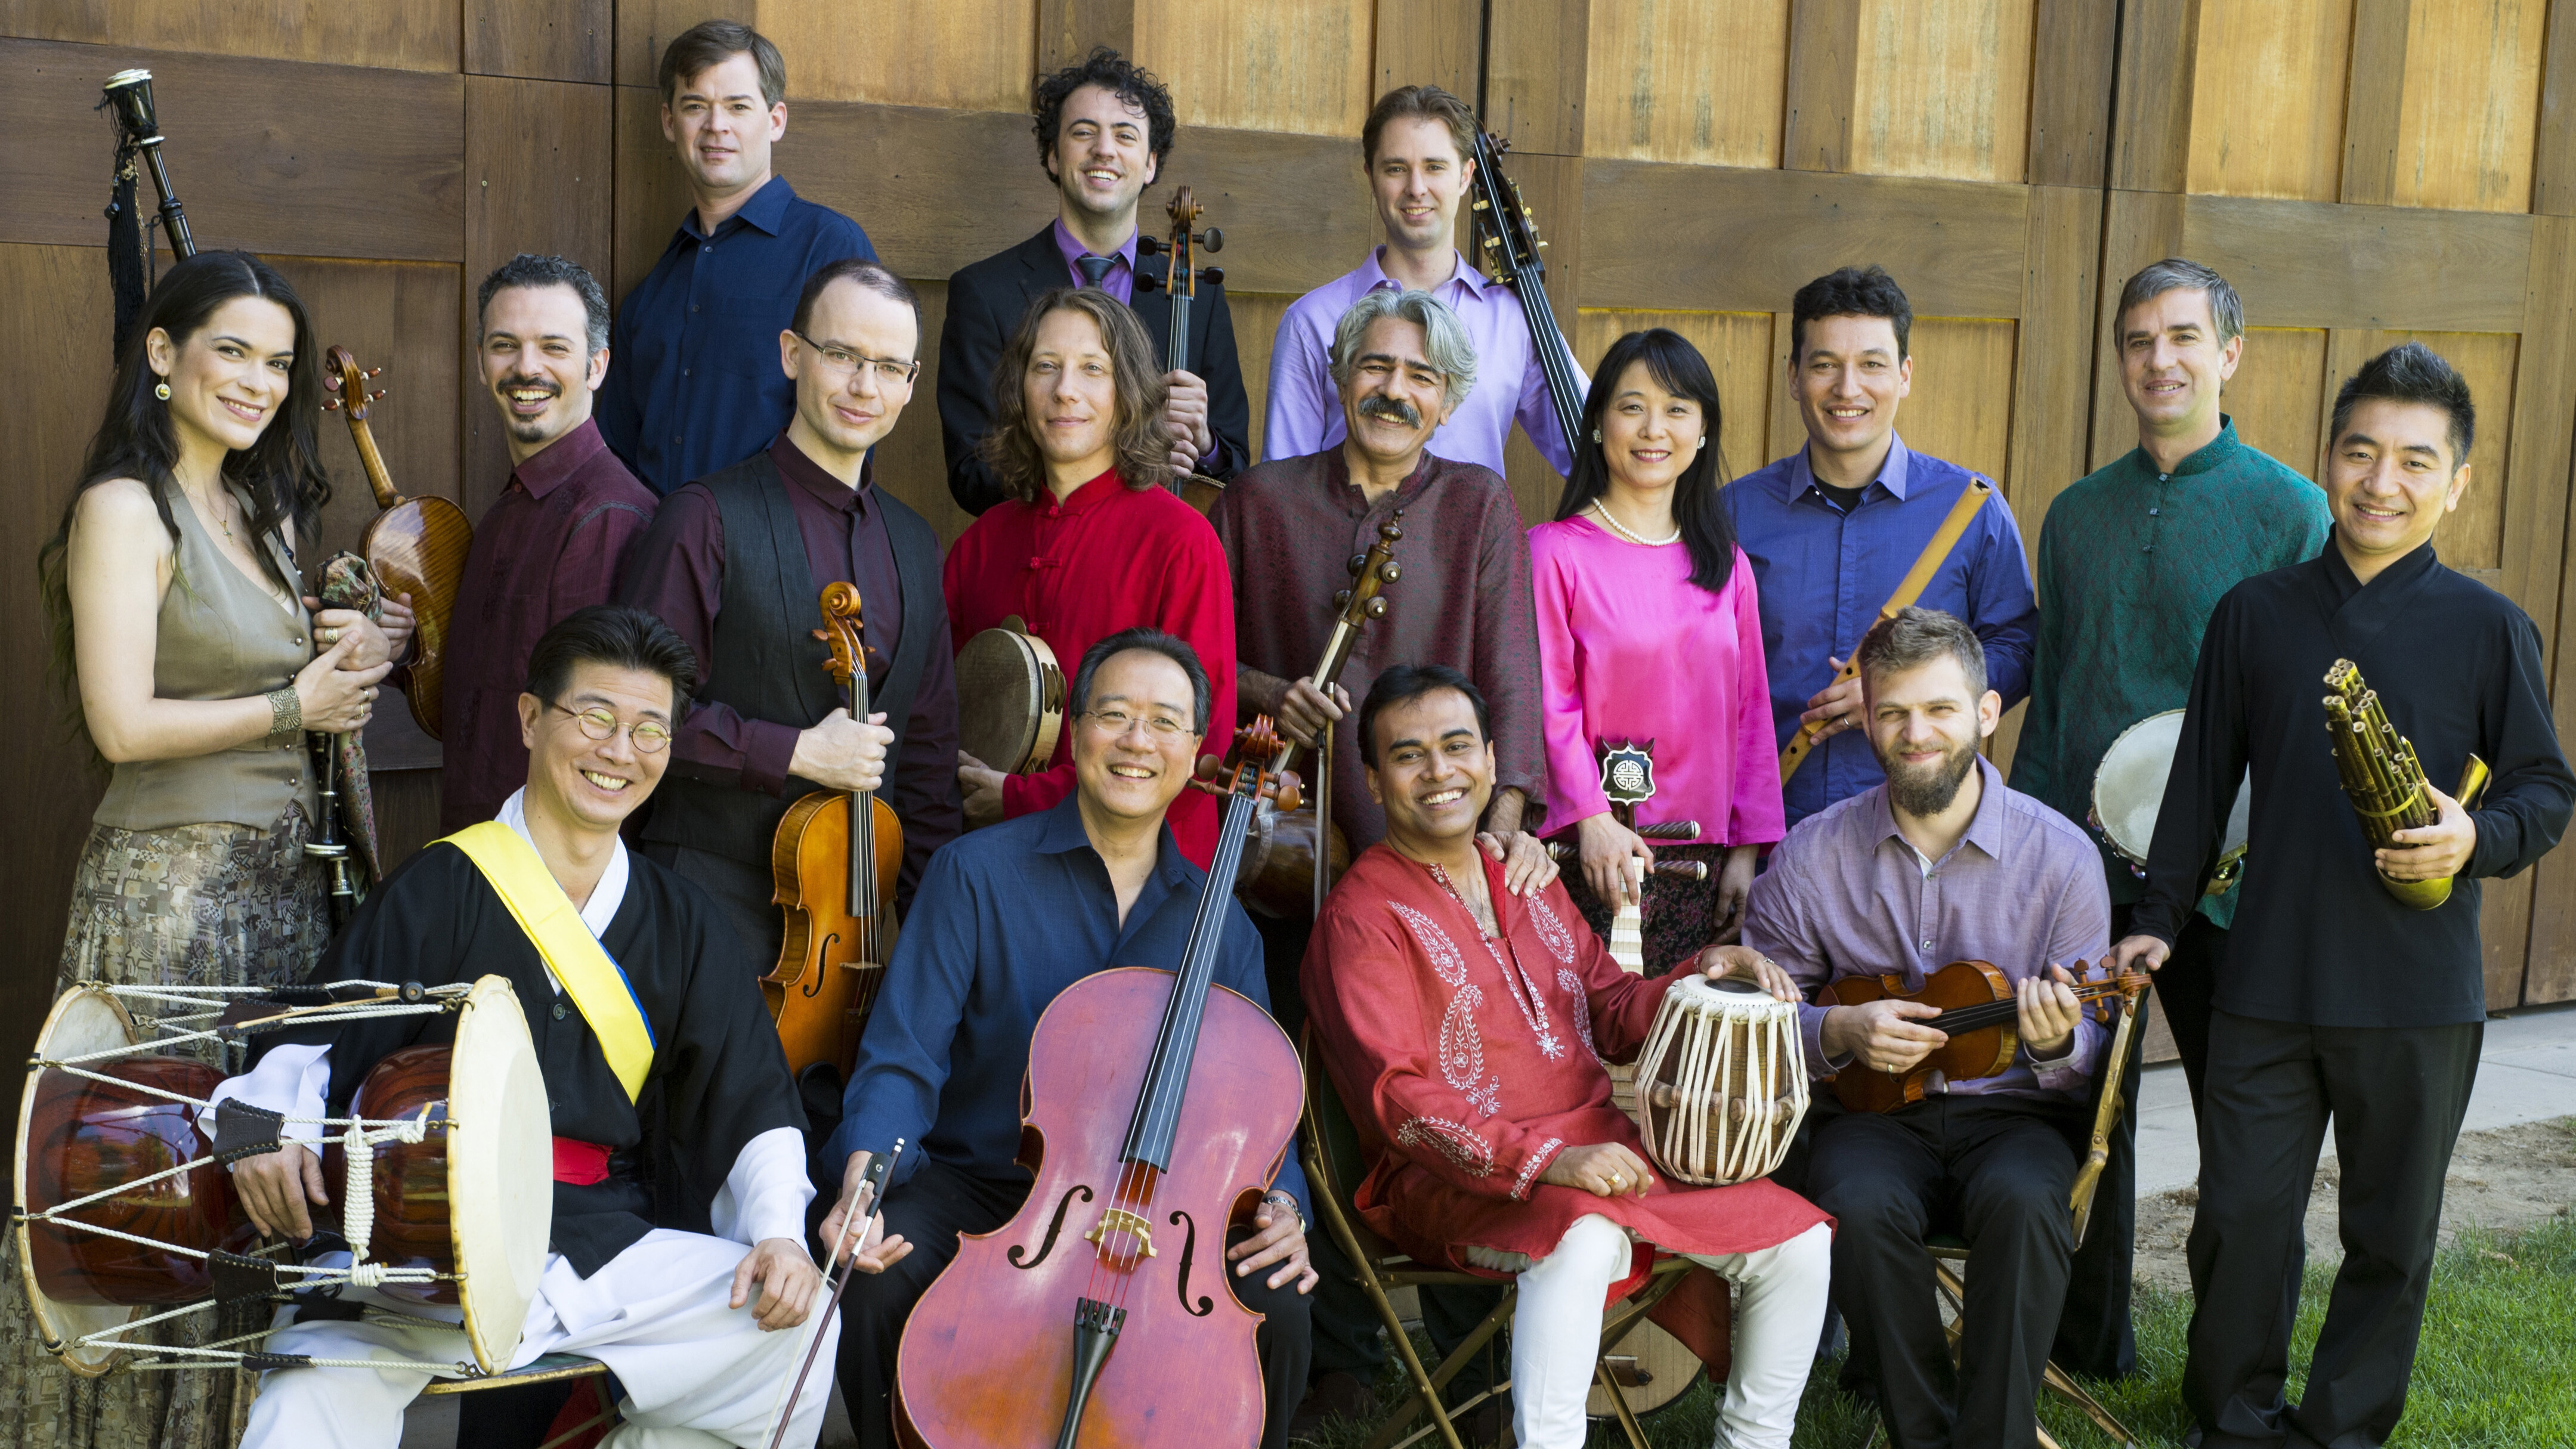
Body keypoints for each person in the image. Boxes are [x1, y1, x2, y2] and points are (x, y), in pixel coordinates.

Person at [214, 605, 842, 1448]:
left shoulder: (683, 922)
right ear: (529, 718)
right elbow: (306, 1046)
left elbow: (751, 1100)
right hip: (417, 1252)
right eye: (595, 717)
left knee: (797, 1328)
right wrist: (258, 1129)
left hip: (596, 1251)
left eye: (649, 730)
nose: (619, 752)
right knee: (307, 1402)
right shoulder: (440, 887)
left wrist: (779, 1235)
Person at [2106, 343, 2572, 1449]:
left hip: (2416, 990)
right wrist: (2153, 919)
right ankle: (2231, 1421)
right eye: (2360, 452)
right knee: (2236, 1220)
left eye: (2414, 461)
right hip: (2266, 977)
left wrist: (2473, 835)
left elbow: (2544, 791)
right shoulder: (2252, 614)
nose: (2381, 481)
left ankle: (2342, 1430)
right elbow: (2197, 785)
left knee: (2390, 1237)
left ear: (2456, 482)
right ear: (2327, 460)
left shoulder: (2488, 627)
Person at [7, 250, 404, 1449]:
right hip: (168, 908)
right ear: (161, 353)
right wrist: (296, 705)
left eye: (277, 362)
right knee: (155, 1205)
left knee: (250, 1207)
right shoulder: (124, 510)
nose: (258, 382)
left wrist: (350, 652)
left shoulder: (261, 506)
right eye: (231, 350)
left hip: (281, 912)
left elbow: (300, 694)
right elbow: (123, 725)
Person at [1304, 664, 1834, 1449]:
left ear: (1490, 761)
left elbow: (1612, 1011)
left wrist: (1699, 974)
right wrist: (1550, 1161)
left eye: (1457, 746)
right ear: (1374, 782)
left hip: (1603, 1153)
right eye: (1408, 755)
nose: (1439, 771)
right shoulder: (1360, 917)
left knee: (1796, 1240)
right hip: (1455, 1180)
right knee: (1584, 1237)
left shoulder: (1524, 877)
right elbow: (1397, 1097)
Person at [825, 628, 1314, 1449]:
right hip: (981, 1186)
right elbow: (902, 1058)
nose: (1136, 741)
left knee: (1282, 1305)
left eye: (1164, 722)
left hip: (1159, 1210)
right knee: (876, 1277)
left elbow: (1259, 1114)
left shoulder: (1223, 925)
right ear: (1075, 731)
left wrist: (1284, 1206)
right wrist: (863, 1178)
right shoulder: (973, 873)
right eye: (1113, 714)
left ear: (1196, 751)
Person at [1208, 288, 1547, 1438]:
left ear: (1444, 400)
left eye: (1417, 376)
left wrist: (1505, 820)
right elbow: (1201, 661)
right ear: (1337, 375)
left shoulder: (1476, 503)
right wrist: (1274, 694)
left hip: (1432, 860)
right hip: (1287, 861)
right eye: (1374, 366)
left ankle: (1473, 1349)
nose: (1392, 390)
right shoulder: (1258, 502)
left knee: (1455, 1090)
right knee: (1306, 1102)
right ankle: (1341, 1352)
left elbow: (1508, 671)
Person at [2003, 259, 2330, 1379]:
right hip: (2088, 873)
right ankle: (2083, 1346)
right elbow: (2055, 694)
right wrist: (2032, 851)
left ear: (2227, 353)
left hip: (2228, 881)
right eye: (2138, 340)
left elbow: (2301, 713)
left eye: (2183, 337)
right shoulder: (2074, 514)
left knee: (2245, 1142)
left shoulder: (2289, 511)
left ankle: (2232, 1381)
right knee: (2075, 1112)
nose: (2159, 360)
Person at [1746, 608, 2111, 1449]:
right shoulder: (1811, 854)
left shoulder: (2060, 859)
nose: (1916, 734)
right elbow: (1758, 1017)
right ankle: (1922, 1433)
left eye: (1939, 709)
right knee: (1853, 1202)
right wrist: (1837, 1028)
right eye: (1893, 713)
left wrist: (2055, 1040)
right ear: (1867, 721)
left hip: (2014, 1115)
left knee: (2027, 1203)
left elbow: (2090, 1047)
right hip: (1871, 1117)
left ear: (1984, 712)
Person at [617, 258, 960, 959]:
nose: (864, 386)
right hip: (706, 922)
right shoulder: (703, 518)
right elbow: (636, 719)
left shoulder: (915, 545)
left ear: (910, 384)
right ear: (792, 354)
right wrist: (798, 751)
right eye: (842, 355)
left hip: (854, 936)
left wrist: (933, 954)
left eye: (888, 367)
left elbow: (926, 766)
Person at [1724, 265, 2037, 832]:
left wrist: (1906, 690)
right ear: (1793, 376)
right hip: (1768, 832)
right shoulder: (1734, 513)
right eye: (1824, 365)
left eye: (1871, 364)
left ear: (1904, 374)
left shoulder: (1971, 508)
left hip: (1923, 830)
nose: (1848, 389)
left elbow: (2017, 645)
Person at [945, 287, 1235, 866]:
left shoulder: (1182, 541)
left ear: (1127, 394)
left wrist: (1020, 798)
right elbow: (938, 716)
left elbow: (1200, 746)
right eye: (1045, 366)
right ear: (1019, 389)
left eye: (1092, 369)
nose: (1064, 390)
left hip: (1141, 874)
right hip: (1000, 869)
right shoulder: (979, 545)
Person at [1531, 327, 1782, 961]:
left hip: (1698, 859)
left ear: (1702, 431)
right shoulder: (1553, 553)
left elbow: (1750, 714)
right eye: (1632, 407)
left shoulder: (1725, 564)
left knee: (1676, 1019)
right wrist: (1589, 817)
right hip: (1584, 849)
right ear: (1597, 423)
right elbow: (1548, 702)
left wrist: (1744, 851)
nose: (1653, 429)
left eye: (1676, 409)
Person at [937, 47, 1250, 515]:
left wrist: (1203, 444)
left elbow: (1236, 469)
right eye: (1083, 132)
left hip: (1159, 550)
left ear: (1150, 163)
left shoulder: (1199, 298)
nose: (1104, 149)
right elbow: (972, 475)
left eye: (1125, 135)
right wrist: (1111, 456)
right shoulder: (984, 293)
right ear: (1052, 156)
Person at [598, 20, 877, 496]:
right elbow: (616, 457)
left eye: (737, 106)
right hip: (656, 540)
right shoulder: (653, 292)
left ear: (775, 120)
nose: (716, 126)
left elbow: (853, 423)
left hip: (779, 539)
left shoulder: (829, 248)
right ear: (669, 121)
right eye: (695, 106)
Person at [1263, 84, 1585, 478]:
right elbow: (1281, 488)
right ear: (1371, 178)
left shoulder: (1514, 319)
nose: (1416, 189)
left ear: (1466, 176)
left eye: (1434, 167)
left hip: (1475, 521)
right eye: (1396, 169)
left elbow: (1594, 453)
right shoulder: (1310, 320)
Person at [440, 253, 658, 831]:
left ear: (596, 366)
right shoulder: (508, 509)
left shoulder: (610, 517)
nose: (526, 367)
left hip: (545, 862)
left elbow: (598, 738)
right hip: (481, 850)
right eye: (505, 345)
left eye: (553, 347)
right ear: (481, 362)